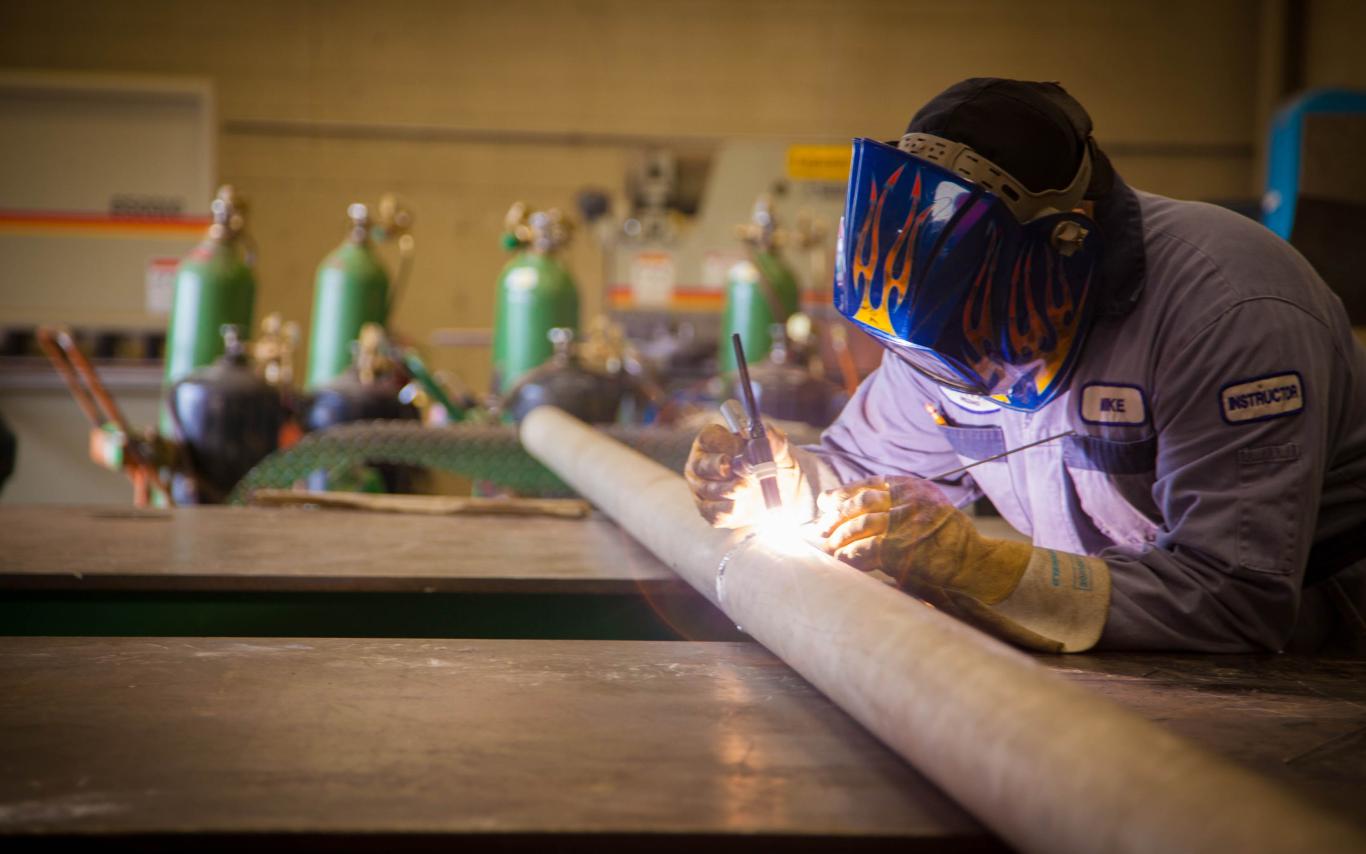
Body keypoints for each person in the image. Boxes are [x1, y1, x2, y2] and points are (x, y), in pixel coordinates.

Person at [687, 78, 1366, 653]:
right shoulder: (943, 319)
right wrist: (783, 479)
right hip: (1120, 642)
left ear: (1068, 240)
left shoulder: (1229, 313)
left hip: (1321, 657)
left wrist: (983, 567)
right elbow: (866, 473)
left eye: (980, 348)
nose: (956, 375)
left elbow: (1236, 599)